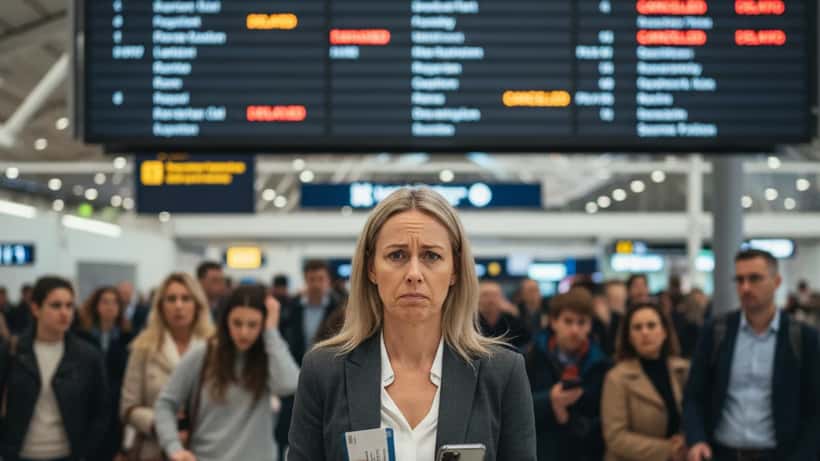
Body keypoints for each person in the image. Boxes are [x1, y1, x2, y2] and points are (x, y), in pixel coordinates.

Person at [288, 187, 536, 460]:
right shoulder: (323, 371)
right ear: (371, 268)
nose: (414, 274)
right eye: (397, 255)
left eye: (431, 256)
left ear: (454, 269)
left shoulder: (502, 373)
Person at [683, 249, 820, 461]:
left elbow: (815, 409)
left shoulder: (803, 337)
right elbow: (694, 395)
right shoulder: (716, 332)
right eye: (739, 280)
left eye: (754, 279)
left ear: (777, 282)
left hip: (780, 455)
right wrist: (696, 439)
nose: (745, 287)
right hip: (721, 453)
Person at [154, 285, 298, 461]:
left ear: (263, 324)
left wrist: (271, 332)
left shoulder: (269, 356)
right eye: (237, 323)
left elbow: (289, 385)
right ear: (225, 321)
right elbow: (165, 403)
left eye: (253, 324)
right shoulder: (203, 354)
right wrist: (173, 447)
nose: (244, 332)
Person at [0, 276, 109, 461]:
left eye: (69, 305)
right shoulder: (13, 351)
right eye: (56, 305)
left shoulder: (88, 356)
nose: (64, 313)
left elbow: (101, 410)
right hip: (20, 453)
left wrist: (86, 452)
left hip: (68, 454)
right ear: (36, 308)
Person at [120, 273, 215, 461]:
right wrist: (163, 427)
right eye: (171, 299)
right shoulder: (143, 348)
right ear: (160, 306)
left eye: (186, 299)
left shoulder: (214, 347)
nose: (178, 306)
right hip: (154, 448)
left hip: (205, 448)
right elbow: (128, 407)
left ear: (197, 305)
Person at [526, 287, 611, 461]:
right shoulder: (530, 357)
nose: (574, 330)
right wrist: (549, 400)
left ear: (590, 325)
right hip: (540, 451)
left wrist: (570, 420)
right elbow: (513, 406)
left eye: (581, 322)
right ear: (553, 322)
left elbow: (605, 418)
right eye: (568, 321)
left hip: (584, 452)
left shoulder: (601, 365)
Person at [601, 302, 689, 461]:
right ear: (629, 337)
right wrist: (668, 449)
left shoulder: (682, 370)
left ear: (664, 332)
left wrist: (686, 440)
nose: (645, 332)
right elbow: (616, 437)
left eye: (651, 325)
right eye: (637, 327)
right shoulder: (617, 377)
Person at [275, 259, 344, 456]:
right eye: (312, 279)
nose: (316, 284)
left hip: (326, 375)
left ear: (328, 281)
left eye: (320, 279)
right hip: (294, 373)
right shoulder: (291, 308)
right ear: (305, 280)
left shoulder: (340, 308)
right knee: (291, 429)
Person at [76, 286, 134, 461]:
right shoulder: (82, 336)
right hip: (87, 402)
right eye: (105, 302)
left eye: (115, 302)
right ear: (96, 306)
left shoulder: (128, 338)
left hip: (116, 402)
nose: (110, 306)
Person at [478, 280, 530, 350]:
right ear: (478, 298)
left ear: (501, 298)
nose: (491, 300)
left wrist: (515, 315)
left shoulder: (510, 319)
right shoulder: (471, 321)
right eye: (485, 295)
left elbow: (526, 339)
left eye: (494, 295)